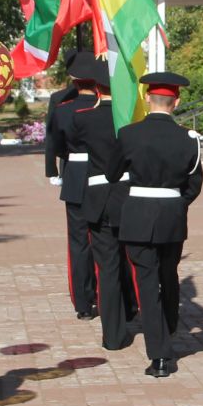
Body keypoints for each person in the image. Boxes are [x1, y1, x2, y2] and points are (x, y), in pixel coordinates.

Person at [114, 72, 203, 377]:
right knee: (169, 276)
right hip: (172, 216)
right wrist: (177, 205)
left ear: (146, 99)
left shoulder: (128, 134)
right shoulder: (188, 139)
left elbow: (113, 173)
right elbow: (194, 184)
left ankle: (160, 355)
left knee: (147, 285)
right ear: (176, 102)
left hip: (138, 214)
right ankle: (168, 331)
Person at [70, 56, 134, 353]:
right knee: (131, 261)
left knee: (107, 268)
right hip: (126, 195)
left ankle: (113, 334)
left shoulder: (82, 118)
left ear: (96, 88)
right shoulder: (129, 119)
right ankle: (132, 311)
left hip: (96, 197)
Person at [44, 57, 99, 318]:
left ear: (75, 81)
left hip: (76, 175)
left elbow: (53, 143)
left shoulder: (64, 109)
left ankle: (83, 303)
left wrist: (53, 170)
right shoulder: (106, 108)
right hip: (102, 175)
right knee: (106, 241)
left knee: (79, 244)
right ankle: (107, 294)